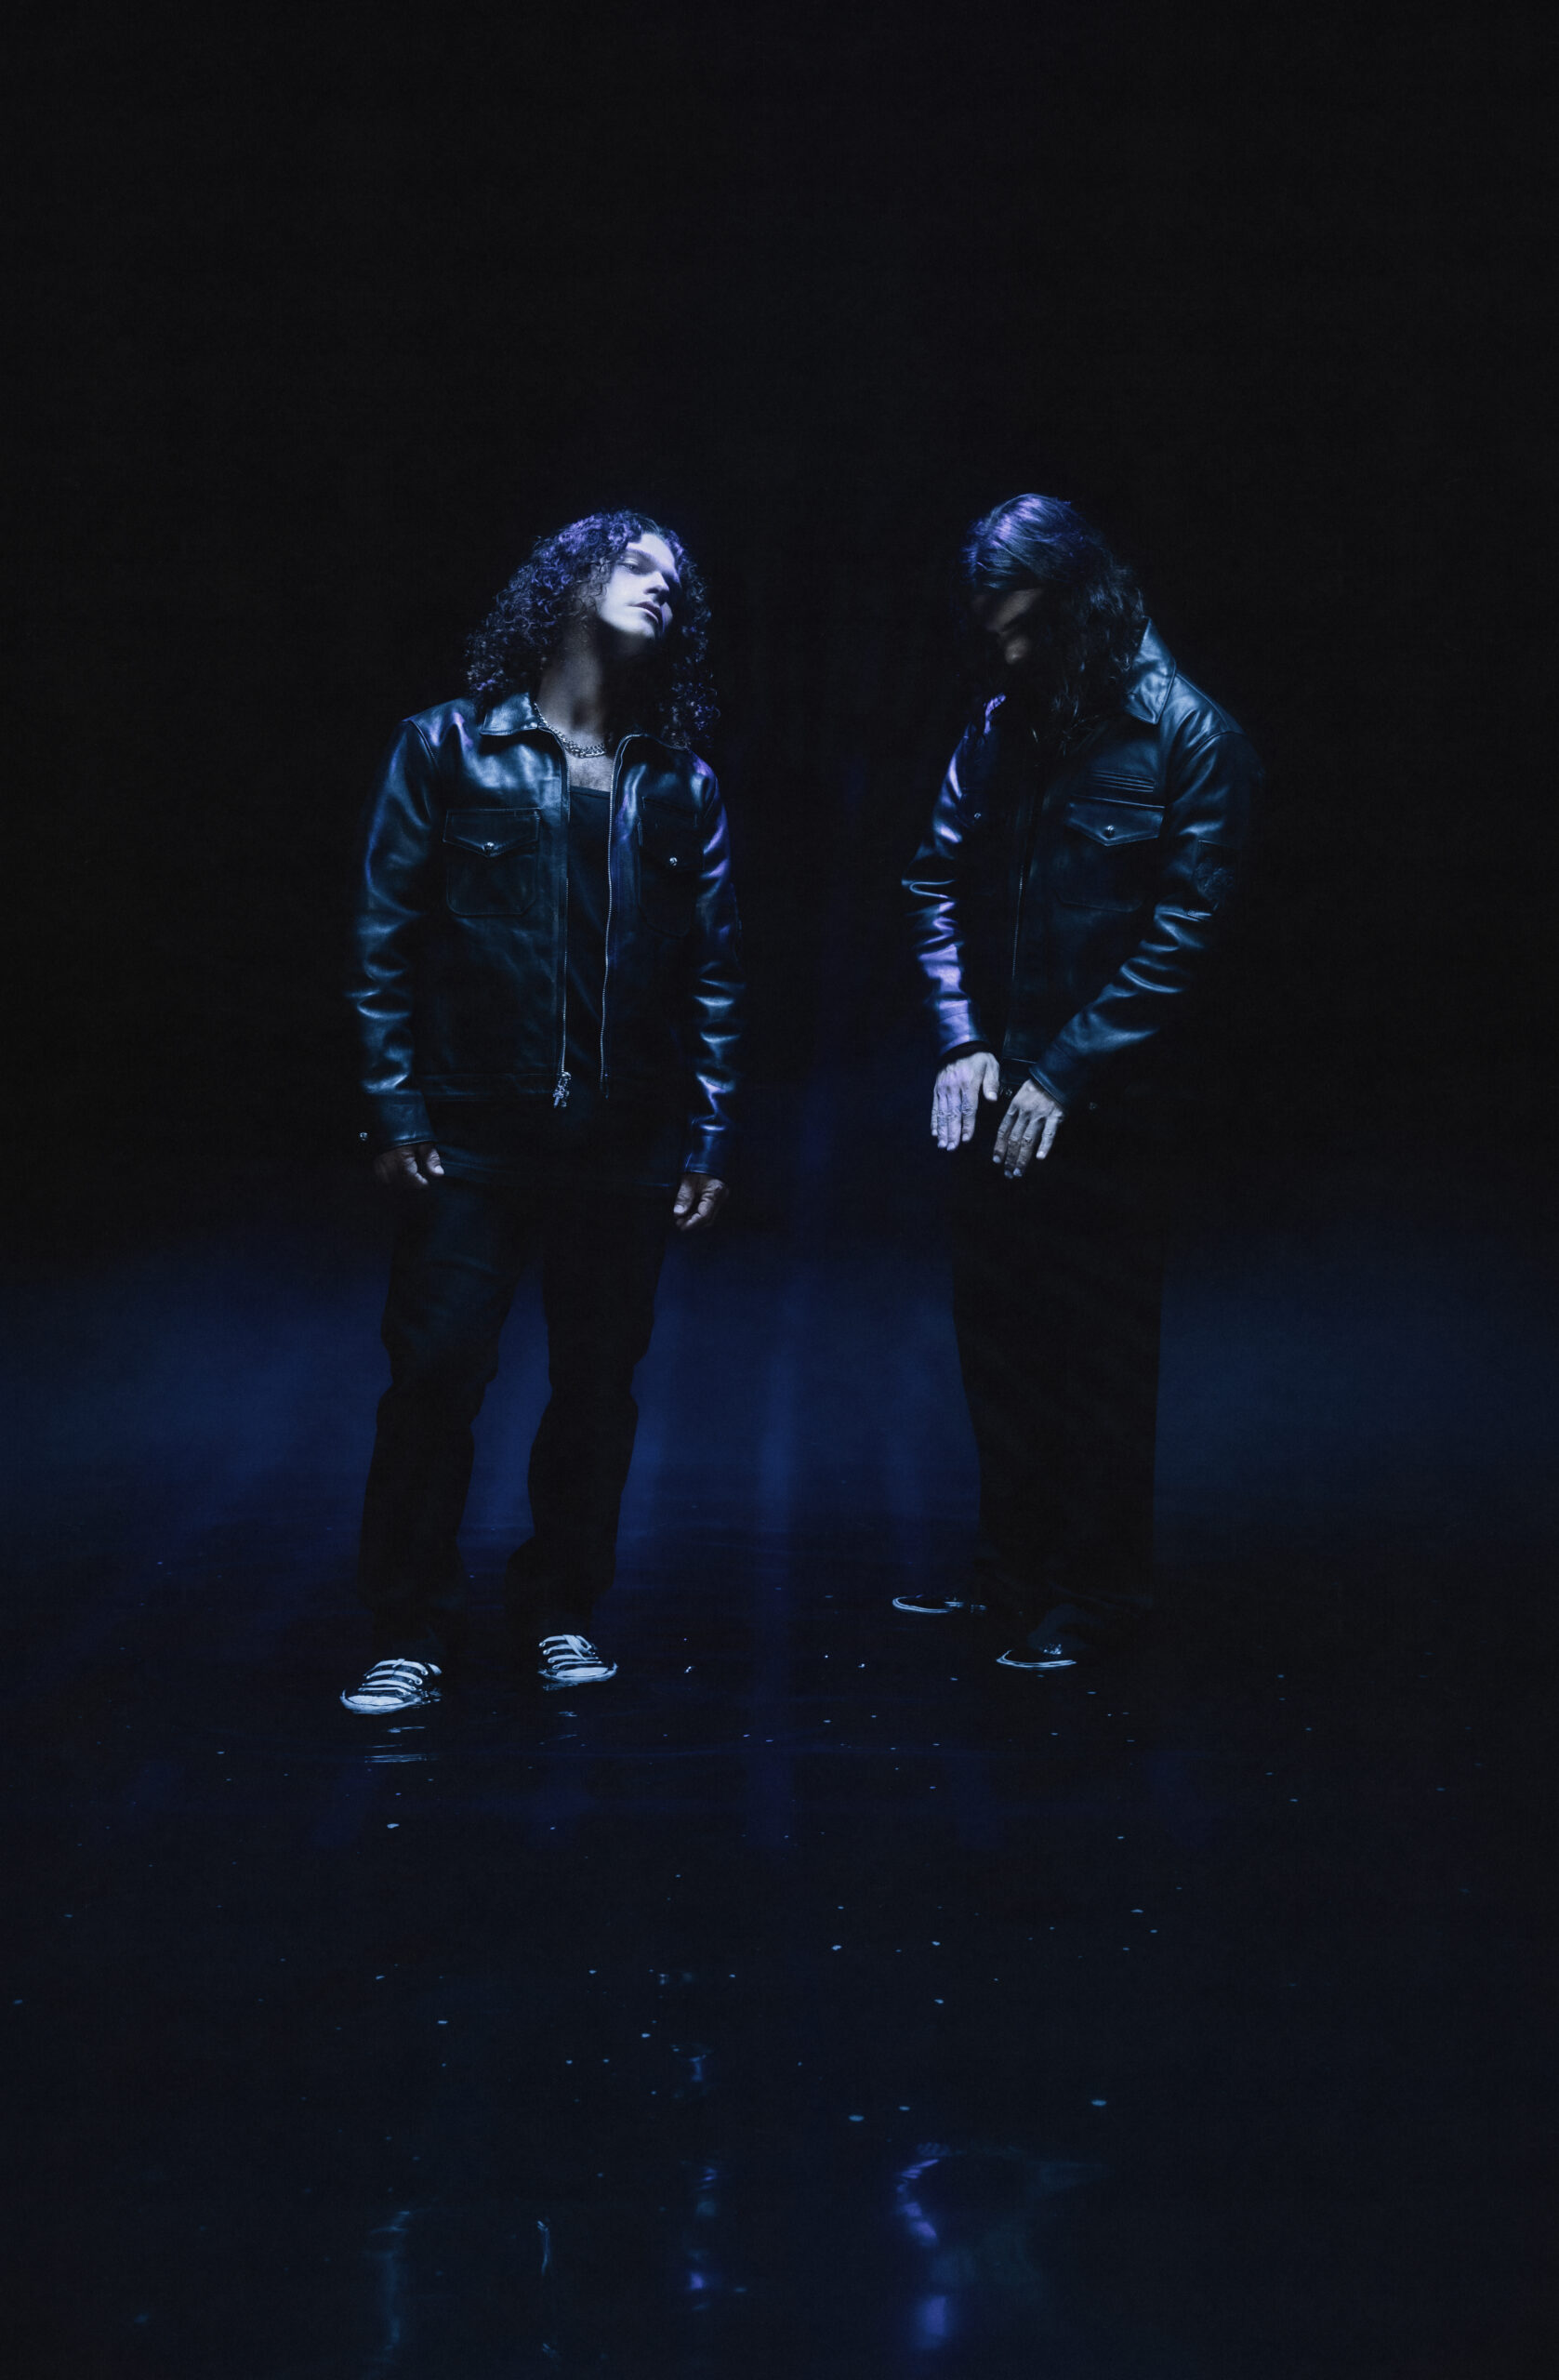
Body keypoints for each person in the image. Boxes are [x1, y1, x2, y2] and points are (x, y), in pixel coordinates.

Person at [342, 511, 743, 1711]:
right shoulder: (444, 746)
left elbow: (716, 972)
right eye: (637, 563)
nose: (662, 586)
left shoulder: (682, 784)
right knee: (434, 1379)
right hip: (471, 1133)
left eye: (677, 579)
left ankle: (561, 1608)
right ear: (568, 583)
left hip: (624, 1141)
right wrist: (394, 1104)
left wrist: (710, 1131)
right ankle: (409, 1628)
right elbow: (382, 936)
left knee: (597, 1390)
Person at [902, 494, 1262, 1672]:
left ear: (1084, 603)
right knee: (999, 1348)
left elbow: (1184, 940)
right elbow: (933, 883)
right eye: (994, 632)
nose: (1008, 654)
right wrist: (960, 1040)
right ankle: (1012, 1575)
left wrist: (1063, 1073)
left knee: (1100, 1358)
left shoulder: (1192, 739)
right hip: (995, 1099)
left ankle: (1099, 1595)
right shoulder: (1002, 724)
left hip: (1114, 1116)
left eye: (1027, 627)